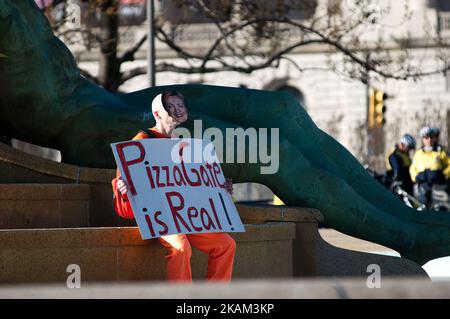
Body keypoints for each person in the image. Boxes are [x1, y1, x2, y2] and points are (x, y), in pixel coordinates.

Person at [113, 90, 236, 283]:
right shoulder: (142, 140)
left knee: (226, 245)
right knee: (181, 246)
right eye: (170, 106)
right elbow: (124, 181)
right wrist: (123, 189)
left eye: (180, 105)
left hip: (185, 215)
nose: (177, 110)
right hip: (159, 216)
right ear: (157, 114)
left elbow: (194, 185)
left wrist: (219, 187)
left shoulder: (183, 145)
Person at [410, 126, 450, 206]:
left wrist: (444, 174)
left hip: (438, 186)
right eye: (426, 137)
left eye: (431, 137)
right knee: (421, 207)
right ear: (423, 139)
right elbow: (412, 168)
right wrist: (416, 177)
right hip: (422, 186)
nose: (429, 140)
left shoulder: (440, 151)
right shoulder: (418, 153)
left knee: (440, 208)